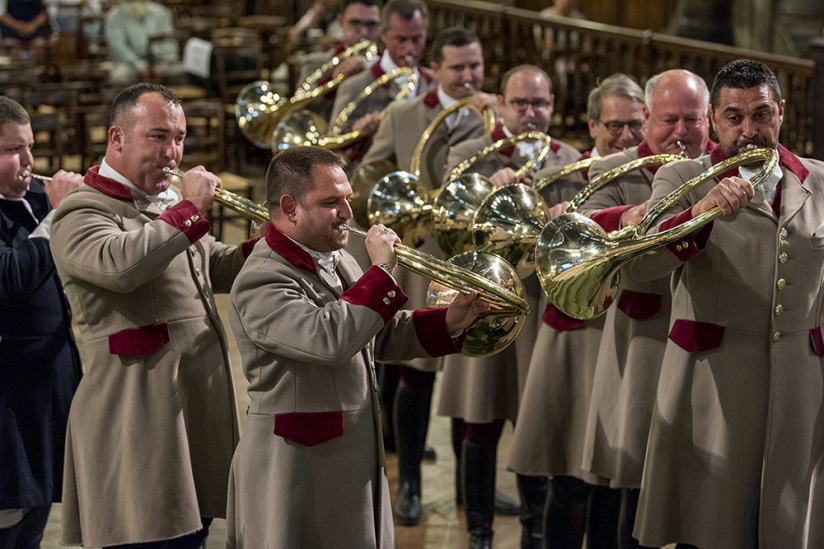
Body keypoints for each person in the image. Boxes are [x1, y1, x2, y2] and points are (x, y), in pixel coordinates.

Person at [224, 145, 486, 548]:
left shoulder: (338, 257)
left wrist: (452, 319)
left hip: (348, 455)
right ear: (290, 207)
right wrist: (380, 271)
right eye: (331, 202)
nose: (348, 212)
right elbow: (329, 339)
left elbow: (374, 334)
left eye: (347, 198)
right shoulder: (261, 278)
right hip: (296, 467)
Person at [49, 83, 254, 548]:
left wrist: (274, 241)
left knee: (192, 534)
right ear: (117, 139)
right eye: (158, 137)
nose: (173, 153)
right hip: (134, 415)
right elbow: (125, 266)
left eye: (179, 139)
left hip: (189, 403)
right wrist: (190, 209)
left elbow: (213, 265)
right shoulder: (81, 211)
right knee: (148, 537)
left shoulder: (162, 208)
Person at [629, 58, 824, 548]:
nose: (749, 130)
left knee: (787, 523)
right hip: (710, 382)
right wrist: (699, 214)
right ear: (714, 118)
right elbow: (639, 265)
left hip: (799, 386)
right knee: (710, 522)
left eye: (761, 115)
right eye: (734, 117)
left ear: (781, 112)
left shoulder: (819, 181)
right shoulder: (684, 177)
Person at [360, 26, 512, 529]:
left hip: (477, 257)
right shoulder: (405, 113)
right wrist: (400, 207)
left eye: (476, 66)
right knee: (418, 372)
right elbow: (372, 170)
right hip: (423, 253)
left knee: (471, 375)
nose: (469, 76)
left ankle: (474, 490)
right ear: (437, 68)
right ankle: (409, 485)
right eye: (457, 68)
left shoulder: (495, 114)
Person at [440, 64, 580, 549]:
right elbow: (449, 226)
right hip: (486, 300)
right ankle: (478, 532)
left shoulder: (571, 159)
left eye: (539, 103)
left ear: (553, 104)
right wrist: (487, 190)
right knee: (481, 416)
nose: (530, 113)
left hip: (541, 303)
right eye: (519, 103)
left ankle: (533, 529)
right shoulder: (470, 154)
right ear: (500, 104)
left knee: (535, 416)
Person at [506, 73, 646, 549]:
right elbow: (523, 257)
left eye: (634, 125)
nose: (625, 137)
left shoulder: (659, 176)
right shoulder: (560, 179)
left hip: (628, 333)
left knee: (613, 476)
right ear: (591, 126)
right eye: (614, 126)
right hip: (576, 333)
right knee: (568, 474)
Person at [577, 69, 713, 549]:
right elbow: (586, 222)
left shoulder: (730, 167)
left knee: (704, 481)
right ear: (647, 119)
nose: (680, 132)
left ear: (710, 119)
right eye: (668, 120)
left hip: (710, 350)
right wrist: (628, 217)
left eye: (692, 120)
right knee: (632, 482)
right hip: (644, 345)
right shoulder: (615, 170)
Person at [0, 97, 83, 549]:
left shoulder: (33, 197)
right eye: (13, 150)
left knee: (34, 517)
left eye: (30, 147)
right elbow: (11, 278)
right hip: (9, 400)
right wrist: (59, 216)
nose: (29, 162)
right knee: (11, 525)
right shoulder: (44, 208)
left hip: (49, 391)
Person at [329, 0, 435, 171]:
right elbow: (333, 150)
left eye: (417, 39)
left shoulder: (434, 83)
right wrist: (358, 132)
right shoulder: (355, 86)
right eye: (401, 39)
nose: (409, 48)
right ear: (383, 34)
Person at [296, 0, 382, 121]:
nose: (364, 32)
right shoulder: (315, 62)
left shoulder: (388, 64)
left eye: (371, 24)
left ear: (381, 27)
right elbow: (299, 109)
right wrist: (332, 82)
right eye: (355, 23)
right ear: (340, 21)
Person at [104, 0, 185, 84]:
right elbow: (119, 48)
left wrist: (163, 66)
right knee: (120, 76)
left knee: (185, 71)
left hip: (161, 61)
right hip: (130, 64)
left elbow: (170, 42)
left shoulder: (161, 12)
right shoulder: (114, 16)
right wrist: (141, 66)